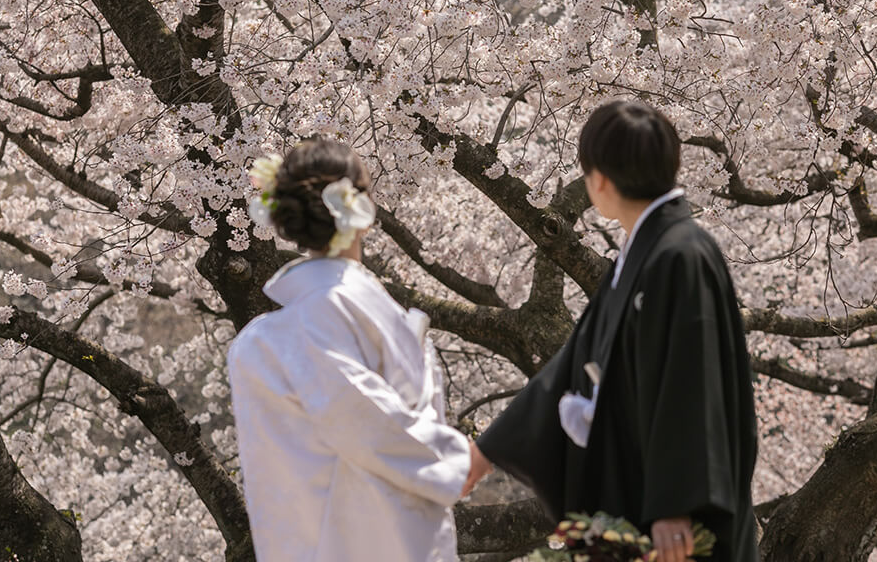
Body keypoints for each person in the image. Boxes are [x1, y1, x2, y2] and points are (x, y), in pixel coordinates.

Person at [464, 101, 758, 562]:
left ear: (599, 179)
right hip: (633, 493)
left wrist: (675, 504)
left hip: (671, 521)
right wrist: (490, 449)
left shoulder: (680, 254)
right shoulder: (647, 248)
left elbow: (693, 382)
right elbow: (577, 357)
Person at [227, 140, 475, 562]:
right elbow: (366, 421)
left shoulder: (262, 340)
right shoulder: (319, 320)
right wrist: (468, 459)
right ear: (361, 209)